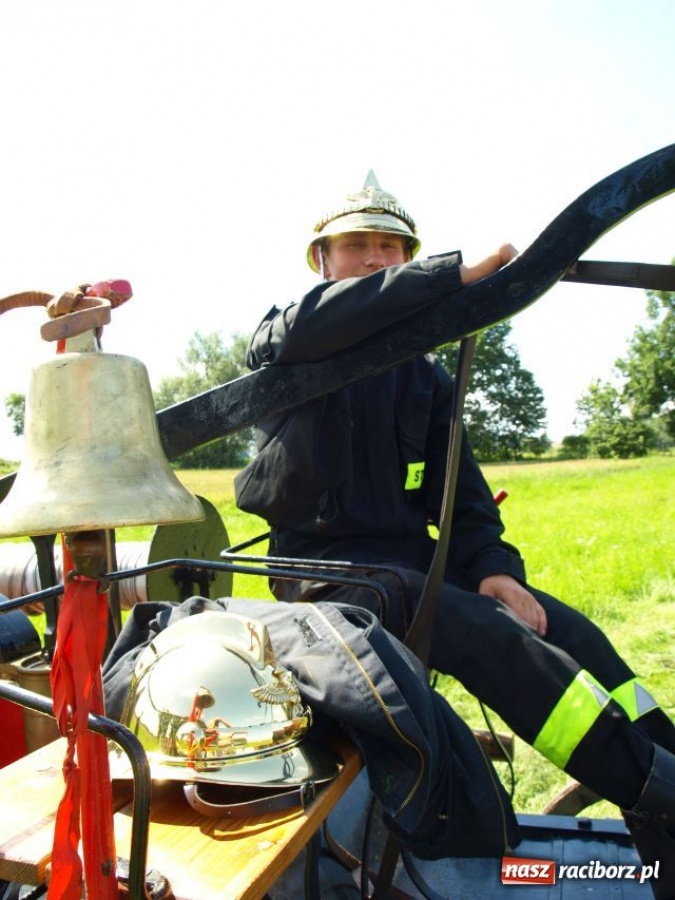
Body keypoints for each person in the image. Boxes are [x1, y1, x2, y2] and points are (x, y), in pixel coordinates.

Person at [234, 172, 675, 895]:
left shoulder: (426, 379)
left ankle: (660, 794)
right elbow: (321, 321)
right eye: (356, 247)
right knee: (483, 633)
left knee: (567, 634)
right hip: (322, 574)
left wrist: (494, 567)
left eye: (389, 246)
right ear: (322, 262)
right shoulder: (289, 336)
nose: (375, 258)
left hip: (410, 564)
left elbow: (463, 498)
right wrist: (451, 278)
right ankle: (655, 786)